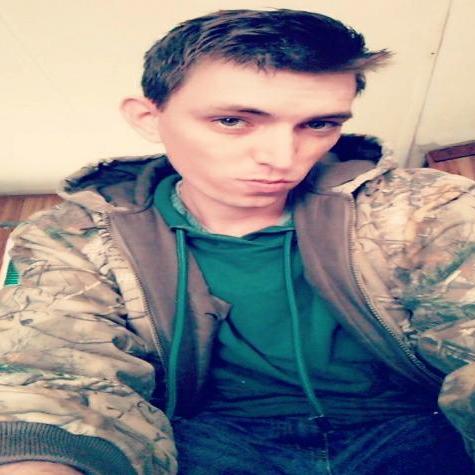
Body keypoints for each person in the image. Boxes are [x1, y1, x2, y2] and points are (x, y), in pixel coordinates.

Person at [0, 8, 473, 475]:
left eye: (318, 124)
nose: (282, 158)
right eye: (232, 121)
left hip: (410, 426)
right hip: (204, 438)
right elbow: (54, 376)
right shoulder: (71, 238)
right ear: (148, 118)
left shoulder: (425, 208)